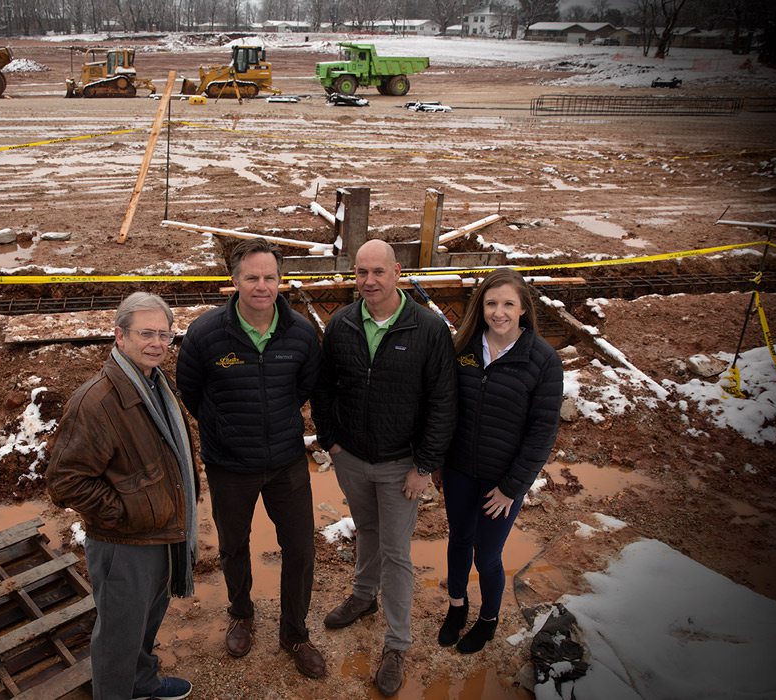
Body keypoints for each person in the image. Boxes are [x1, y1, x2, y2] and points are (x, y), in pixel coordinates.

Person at [311, 239, 457, 697]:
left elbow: (442, 403)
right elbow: (325, 387)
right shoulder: (341, 324)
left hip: (401, 466)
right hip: (352, 457)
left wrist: (425, 465)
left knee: (396, 551)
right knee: (367, 530)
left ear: (397, 273)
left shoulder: (428, 329)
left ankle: (397, 643)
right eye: (361, 273)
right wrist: (332, 440)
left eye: (378, 272)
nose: (369, 282)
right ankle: (362, 596)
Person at [176, 238, 326, 679]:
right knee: (233, 545)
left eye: (270, 278)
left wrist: (275, 422)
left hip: (286, 461)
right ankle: (241, 613)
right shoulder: (206, 334)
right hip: (230, 464)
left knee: (300, 548)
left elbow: (305, 387)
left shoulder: (300, 333)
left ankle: (295, 632)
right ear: (234, 280)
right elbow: (191, 390)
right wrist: (225, 425)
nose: (262, 286)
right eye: (252, 277)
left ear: (280, 280)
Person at [46, 292, 198, 700]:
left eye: (164, 335)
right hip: (123, 542)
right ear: (119, 336)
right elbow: (64, 480)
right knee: (118, 636)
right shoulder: (97, 401)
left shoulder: (155, 384)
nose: (157, 343)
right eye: (145, 333)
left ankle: (142, 681)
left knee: (145, 622)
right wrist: (126, 511)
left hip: (160, 533)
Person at [437, 268, 563, 654]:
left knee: (487, 554)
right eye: (491, 303)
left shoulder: (542, 360)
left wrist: (512, 488)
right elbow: (446, 408)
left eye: (508, 304)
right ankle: (456, 607)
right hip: (459, 471)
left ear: (523, 308)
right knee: (459, 540)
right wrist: (440, 463)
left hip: (501, 482)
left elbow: (543, 432)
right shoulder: (465, 350)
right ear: (481, 306)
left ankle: (488, 620)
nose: (499, 312)